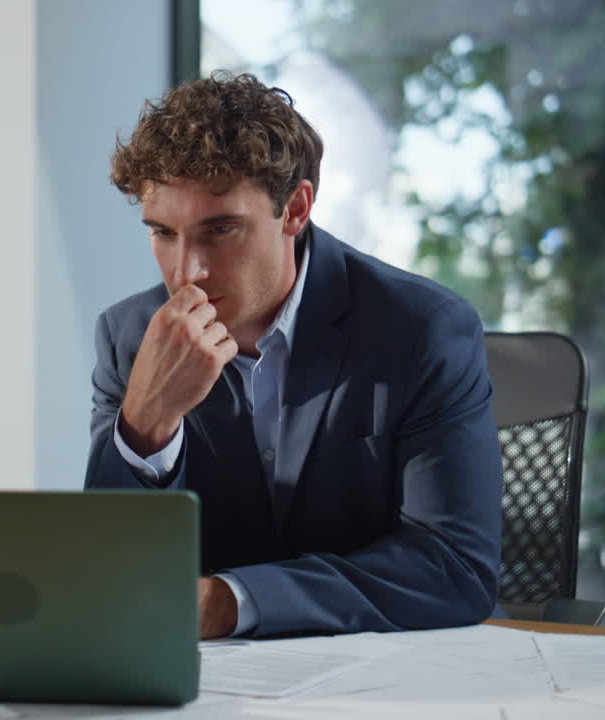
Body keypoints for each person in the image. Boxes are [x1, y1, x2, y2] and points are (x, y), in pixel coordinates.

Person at [85, 71, 503, 639]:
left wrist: (232, 601)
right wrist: (144, 427)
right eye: (162, 233)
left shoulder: (424, 330)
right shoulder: (129, 337)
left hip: (391, 677)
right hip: (211, 689)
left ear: (296, 208)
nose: (188, 272)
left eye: (221, 229)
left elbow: (454, 569)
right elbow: (101, 576)